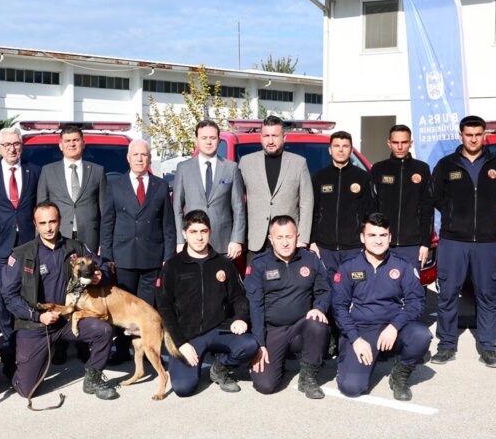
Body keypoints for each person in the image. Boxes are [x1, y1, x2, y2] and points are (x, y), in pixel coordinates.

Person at [1, 201, 118, 401]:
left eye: (53, 221)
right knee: (27, 391)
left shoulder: (76, 247)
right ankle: (10, 356)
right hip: (36, 324)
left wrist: (101, 276)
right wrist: (38, 316)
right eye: (43, 223)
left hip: (68, 319)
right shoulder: (22, 254)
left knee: (103, 330)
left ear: (60, 221)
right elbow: (9, 296)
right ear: (35, 224)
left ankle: (93, 377)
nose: (48, 227)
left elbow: (104, 265)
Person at [430, 115, 496, 368]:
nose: (473, 138)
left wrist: (486, 217)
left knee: (487, 295)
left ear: (484, 135)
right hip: (453, 240)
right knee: (448, 294)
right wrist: (454, 215)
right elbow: (437, 197)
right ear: (461, 135)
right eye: (468, 134)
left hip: (486, 241)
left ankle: (488, 348)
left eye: (478, 134)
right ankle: (446, 345)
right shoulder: (446, 165)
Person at [332, 213, 433, 401]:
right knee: (351, 388)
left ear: (390, 237)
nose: (378, 241)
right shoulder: (349, 267)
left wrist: (395, 326)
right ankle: (349, 360)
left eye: (382, 235)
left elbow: (417, 302)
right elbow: (339, 308)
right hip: (362, 330)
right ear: (363, 237)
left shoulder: (402, 266)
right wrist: (355, 339)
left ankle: (399, 375)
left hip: (392, 327)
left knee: (421, 335)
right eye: (372, 235)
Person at [156, 210, 257, 397]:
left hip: (219, 328)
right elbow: (164, 307)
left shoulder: (224, 263)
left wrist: (241, 317)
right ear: (185, 234)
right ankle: (188, 362)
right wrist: (181, 343)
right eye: (193, 232)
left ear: (210, 232)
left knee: (250, 345)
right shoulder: (173, 266)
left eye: (203, 231)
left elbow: (239, 297)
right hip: (188, 336)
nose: (199, 237)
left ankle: (220, 367)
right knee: (183, 388)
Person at [100, 139, 174, 362]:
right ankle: (121, 350)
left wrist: (168, 257)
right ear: (128, 158)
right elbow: (108, 223)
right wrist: (107, 256)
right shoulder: (115, 185)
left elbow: (168, 225)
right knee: (122, 309)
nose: (140, 159)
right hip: (123, 258)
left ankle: (146, 352)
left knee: (146, 310)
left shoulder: (160, 186)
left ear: (149, 159)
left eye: (144, 155)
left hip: (152, 258)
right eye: (136, 155)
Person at [0, 127, 40, 375]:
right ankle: (9, 348)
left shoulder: (34, 171)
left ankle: (29, 347)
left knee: (28, 293)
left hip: (28, 243)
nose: (12, 148)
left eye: (16, 143)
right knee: (5, 297)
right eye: (7, 145)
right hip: (2, 245)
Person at [246, 216, 330, 399]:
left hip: (301, 327)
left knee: (318, 323)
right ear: (271, 239)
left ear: (297, 236)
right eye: (279, 237)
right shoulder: (259, 263)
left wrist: (319, 307)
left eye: (289, 237)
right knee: (265, 385)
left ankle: (307, 377)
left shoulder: (310, 259)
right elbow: (255, 305)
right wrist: (259, 343)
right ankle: (278, 362)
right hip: (273, 331)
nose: (285, 243)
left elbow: (324, 290)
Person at [239, 116, 314, 259]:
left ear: (284, 138)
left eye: (275, 136)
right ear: (260, 137)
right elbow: (237, 202)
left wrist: (303, 237)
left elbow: (307, 202)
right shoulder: (246, 162)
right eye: (266, 135)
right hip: (255, 241)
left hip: (288, 241)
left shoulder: (299, 163)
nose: (270, 141)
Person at [171, 120, 245, 259]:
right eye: (204, 138)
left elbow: (239, 207)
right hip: (192, 243)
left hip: (223, 244)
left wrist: (236, 239)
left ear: (218, 139)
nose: (208, 142)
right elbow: (177, 208)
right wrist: (180, 240)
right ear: (197, 140)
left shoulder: (231, 168)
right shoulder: (183, 168)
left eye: (213, 138)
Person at [310, 130, 374, 280]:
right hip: (325, 248)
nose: (340, 150)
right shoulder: (320, 177)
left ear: (351, 150)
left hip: (354, 247)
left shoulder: (363, 177)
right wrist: (312, 241)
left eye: (345, 146)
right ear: (330, 149)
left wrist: (366, 241)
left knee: (355, 290)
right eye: (336, 146)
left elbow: (370, 213)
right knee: (328, 292)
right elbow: (313, 212)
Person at [36, 123, 107, 252]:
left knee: (88, 272)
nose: (72, 144)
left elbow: (104, 212)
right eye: (67, 141)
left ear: (83, 143)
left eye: (76, 140)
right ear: (60, 145)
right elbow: (40, 210)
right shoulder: (48, 171)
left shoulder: (98, 171)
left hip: (89, 238)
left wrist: (104, 244)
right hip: (58, 236)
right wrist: (40, 243)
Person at [371, 125, 433, 269]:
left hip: (412, 246)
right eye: (395, 142)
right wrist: (374, 238)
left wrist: (425, 243)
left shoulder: (422, 169)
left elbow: (427, 208)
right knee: (384, 289)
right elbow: (372, 207)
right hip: (384, 243)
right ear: (389, 143)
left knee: (412, 289)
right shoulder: (379, 169)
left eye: (404, 142)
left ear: (410, 143)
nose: (400, 147)